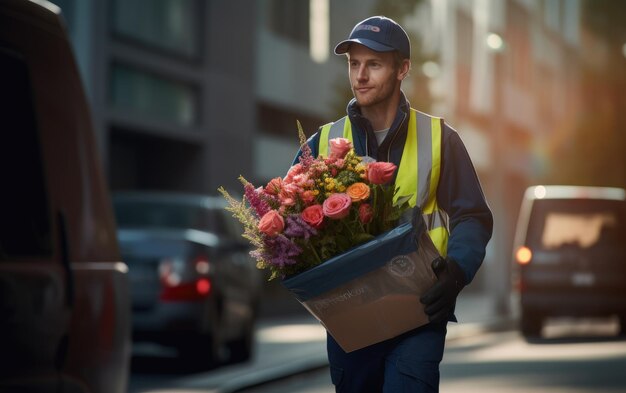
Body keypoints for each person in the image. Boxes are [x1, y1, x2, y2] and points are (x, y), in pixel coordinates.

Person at [294, 16, 493, 392]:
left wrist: (455, 272)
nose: (361, 75)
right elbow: (292, 222)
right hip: (350, 318)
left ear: (403, 69)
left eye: (374, 64)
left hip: (419, 311)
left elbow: (473, 216)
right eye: (354, 64)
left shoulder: (440, 139)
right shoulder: (322, 143)